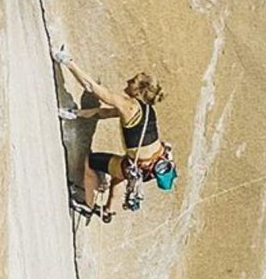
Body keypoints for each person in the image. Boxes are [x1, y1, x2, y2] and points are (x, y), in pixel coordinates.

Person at [53, 46, 176, 220]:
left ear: (139, 90)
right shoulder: (146, 109)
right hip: (151, 166)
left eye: (132, 81)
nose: (127, 82)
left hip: (137, 167)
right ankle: (109, 210)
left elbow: (92, 87)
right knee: (118, 174)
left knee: (90, 162)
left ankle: (87, 206)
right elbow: (104, 113)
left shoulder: (130, 105)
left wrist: (67, 62)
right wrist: (76, 114)